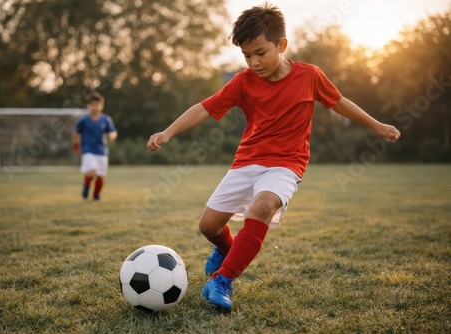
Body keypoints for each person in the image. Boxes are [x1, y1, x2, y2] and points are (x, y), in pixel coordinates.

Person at [146, 3, 401, 311]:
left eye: (260, 52)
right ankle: (227, 249)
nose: (253, 62)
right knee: (208, 226)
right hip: (246, 161)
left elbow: (339, 102)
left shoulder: (310, 76)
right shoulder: (242, 82)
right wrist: (168, 132)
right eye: (246, 55)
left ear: (282, 45)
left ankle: (222, 280)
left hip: (286, 164)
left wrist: (376, 125)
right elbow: (204, 107)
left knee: (263, 206)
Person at [73, 92, 118, 201]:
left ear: (102, 106)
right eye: (93, 104)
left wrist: (112, 135)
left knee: (100, 176)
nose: (95, 107)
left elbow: (113, 131)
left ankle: (96, 195)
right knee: (93, 170)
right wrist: (76, 147)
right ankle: (86, 186)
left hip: (101, 150)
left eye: (98, 104)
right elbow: (76, 134)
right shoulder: (83, 120)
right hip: (88, 150)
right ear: (88, 106)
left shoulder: (106, 120)